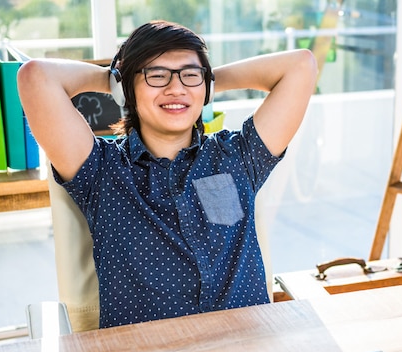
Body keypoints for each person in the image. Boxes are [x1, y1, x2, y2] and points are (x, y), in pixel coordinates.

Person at [17, 20, 317, 328]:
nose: (176, 88)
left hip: (248, 351)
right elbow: (35, 77)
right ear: (126, 88)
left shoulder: (236, 157)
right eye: (156, 75)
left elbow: (301, 66)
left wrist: (208, 82)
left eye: (190, 75)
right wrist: (115, 81)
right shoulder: (101, 170)